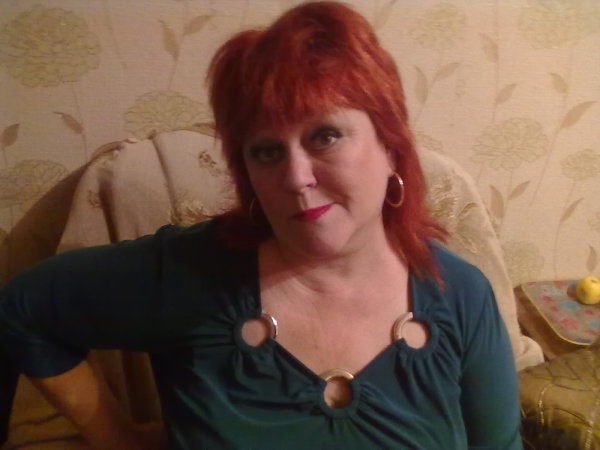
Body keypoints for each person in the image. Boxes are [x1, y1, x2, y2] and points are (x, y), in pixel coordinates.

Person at [0, 2, 522, 449]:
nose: (295, 177)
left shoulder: (461, 296)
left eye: (324, 136)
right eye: (267, 151)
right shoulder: (189, 275)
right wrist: (119, 439)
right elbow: (23, 311)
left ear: (391, 147)